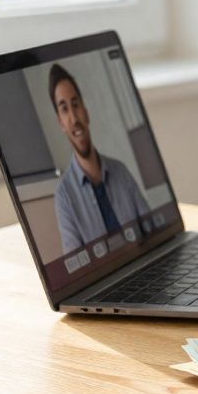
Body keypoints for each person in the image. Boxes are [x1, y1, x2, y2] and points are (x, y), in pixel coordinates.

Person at [49, 63, 152, 253]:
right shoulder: (64, 197)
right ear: (61, 123)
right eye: (64, 109)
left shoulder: (121, 171)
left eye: (75, 104)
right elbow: (79, 270)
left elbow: (153, 230)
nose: (73, 117)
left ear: (85, 112)